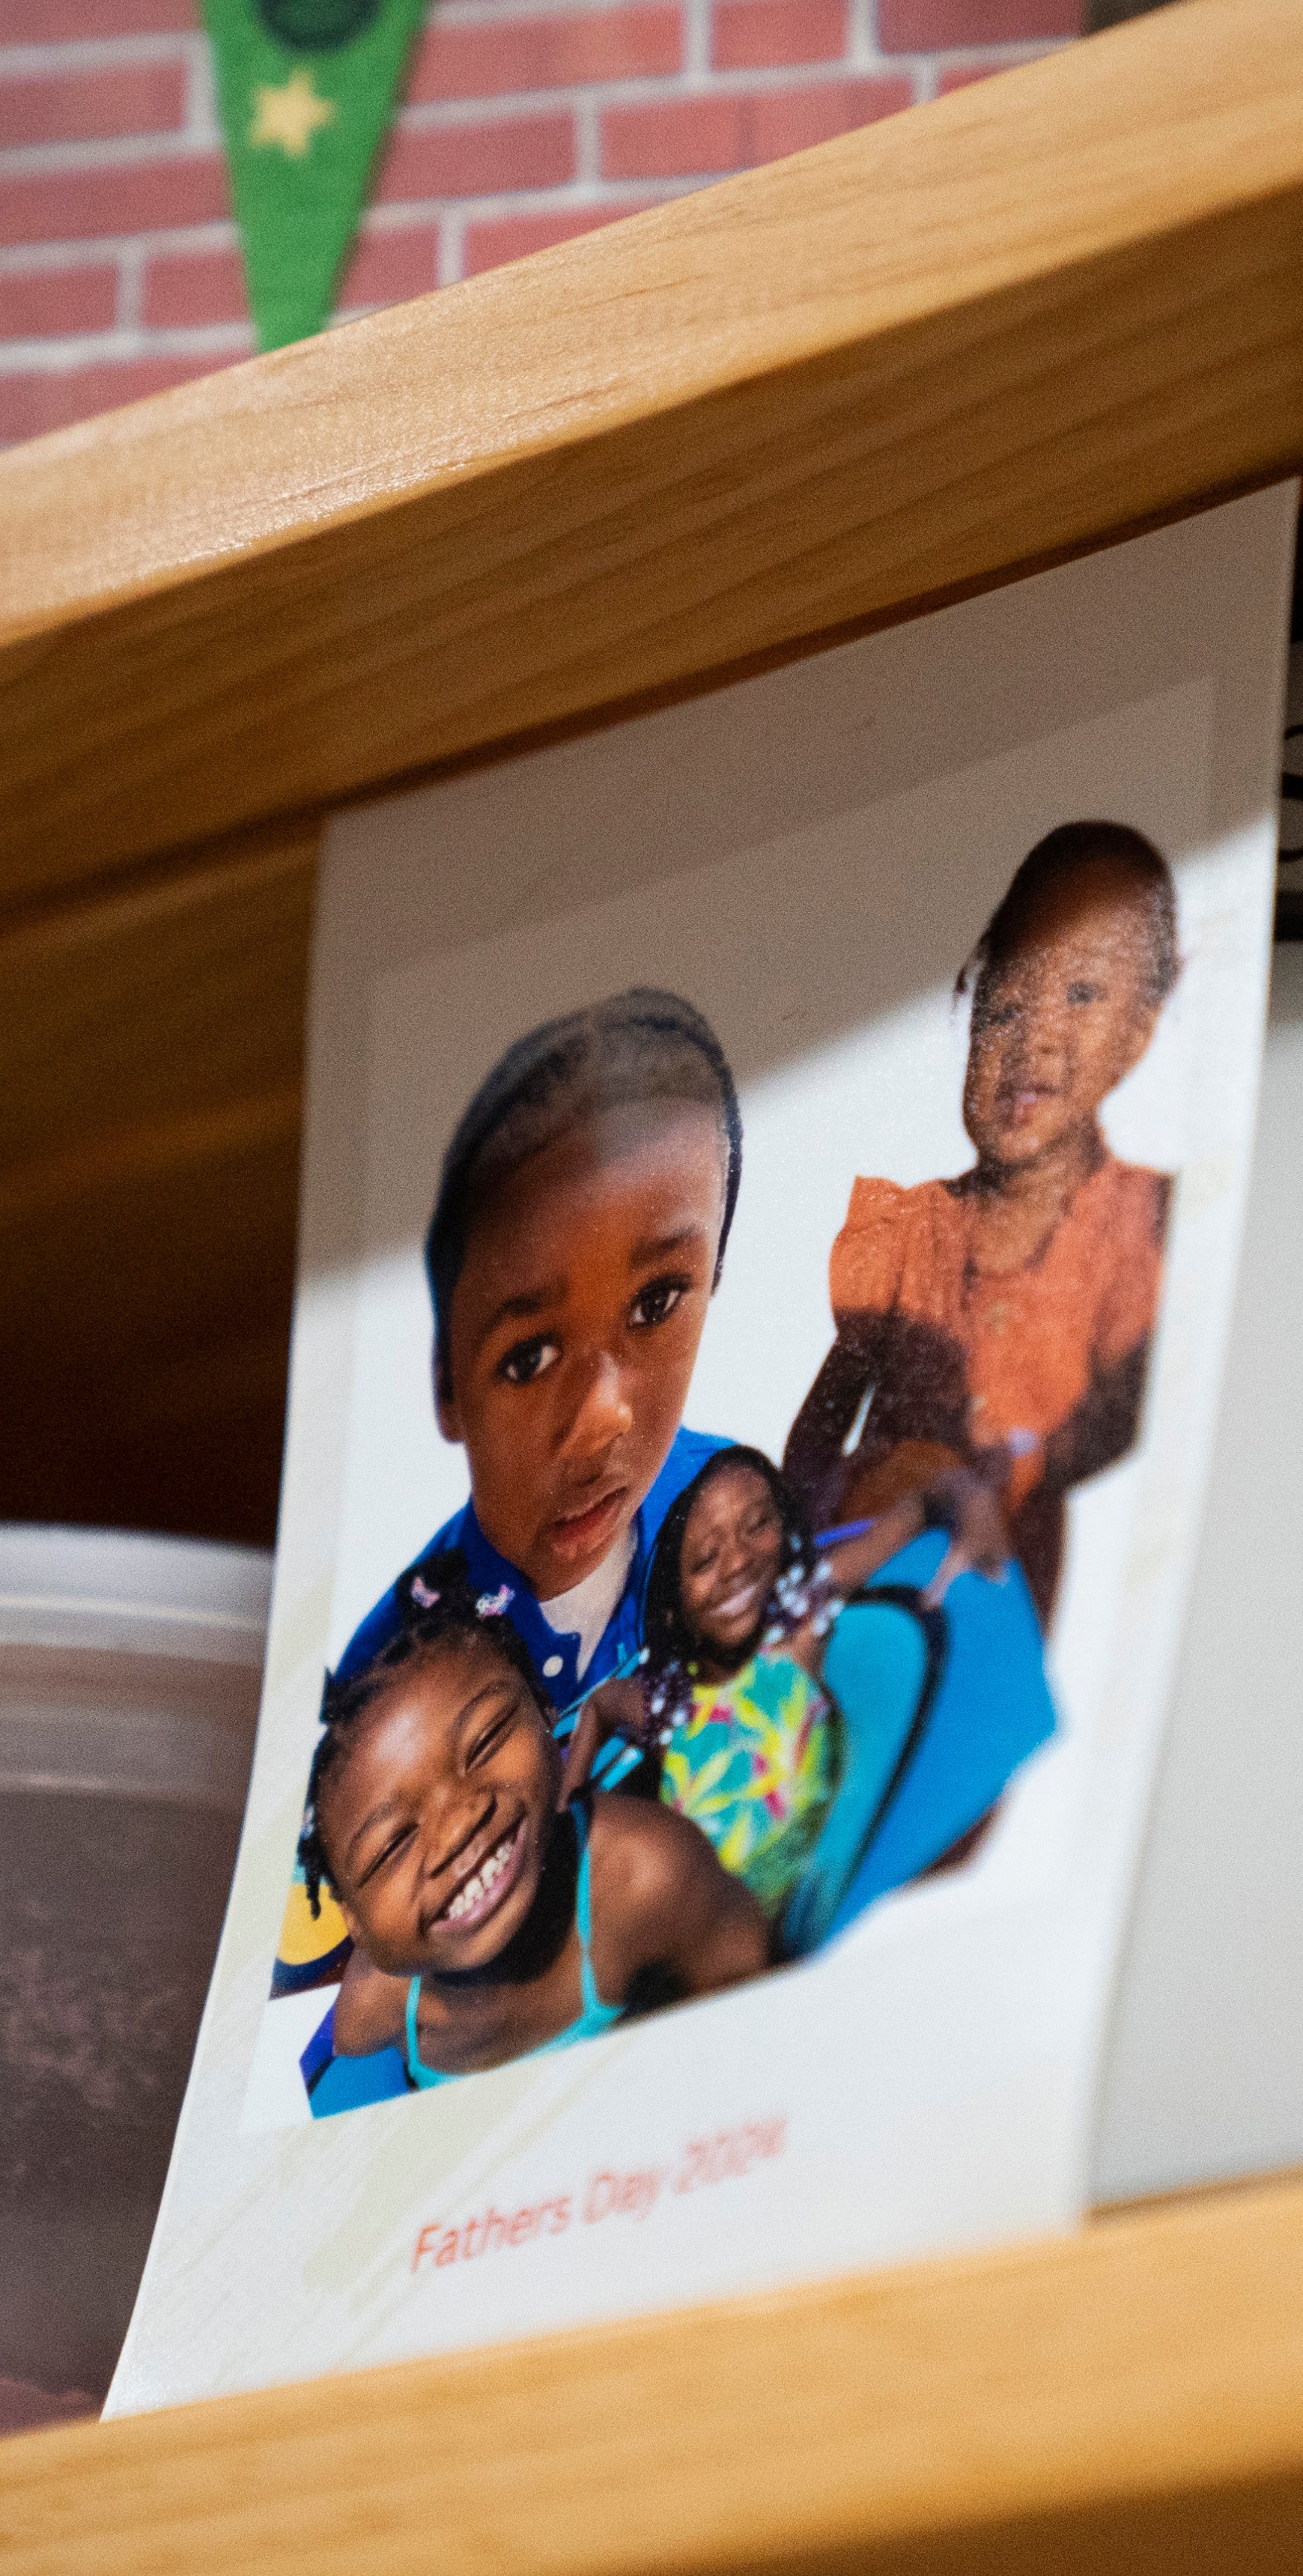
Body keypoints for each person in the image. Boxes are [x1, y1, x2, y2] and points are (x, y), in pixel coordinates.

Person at [785, 822, 1179, 1627]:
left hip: (991, 1592)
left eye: (1081, 995)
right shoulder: (909, 1231)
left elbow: (1124, 1410)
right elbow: (825, 1417)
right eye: (1001, 1008)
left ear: (1139, 1030)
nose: (1031, 1036)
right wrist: (789, 1543)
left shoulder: (1135, 1224)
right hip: (850, 1578)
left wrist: (1014, 1464)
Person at [338, 987, 747, 1714]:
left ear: (714, 1275)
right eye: (528, 1357)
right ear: (446, 1387)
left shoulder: (737, 1506)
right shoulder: (393, 1685)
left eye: (656, 1304)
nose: (601, 1417)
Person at [296, 1563, 768, 2109]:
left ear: (545, 1712)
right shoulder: (374, 2011)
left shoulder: (647, 1876)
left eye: (486, 1739)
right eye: (393, 1844)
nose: (458, 1828)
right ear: (355, 1920)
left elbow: (758, 2036)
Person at [560, 1445, 1009, 1937]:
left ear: (785, 1531)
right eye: (705, 1560)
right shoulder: (671, 1704)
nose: (735, 1563)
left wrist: (971, 1500)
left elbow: (926, 1502)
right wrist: (568, 1806)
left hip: (764, 1932)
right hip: (680, 1933)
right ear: (676, 1606)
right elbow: (601, 1706)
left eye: (756, 1526)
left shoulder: (796, 1626)